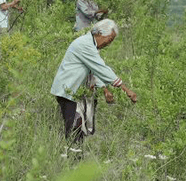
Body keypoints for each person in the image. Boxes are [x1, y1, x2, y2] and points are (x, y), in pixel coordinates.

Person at [51, 19, 137, 151]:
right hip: (67, 91)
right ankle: (73, 161)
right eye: (109, 39)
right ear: (100, 33)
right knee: (74, 128)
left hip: (73, 92)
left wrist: (104, 89)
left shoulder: (91, 45)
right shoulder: (85, 44)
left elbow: (94, 69)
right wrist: (126, 89)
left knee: (79, 128)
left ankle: (75, 160)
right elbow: (101, 68)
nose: (108, 44)